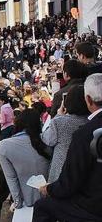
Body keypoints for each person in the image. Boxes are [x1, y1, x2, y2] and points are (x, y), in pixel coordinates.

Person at [33, 74, 102, 221]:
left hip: (93, 207)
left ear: (88, 100)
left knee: (42, 206)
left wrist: (48, 189)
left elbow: (69, 184)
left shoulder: (84, 134)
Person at [0, 108, 50, 211]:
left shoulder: (4, 146)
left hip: (27, 202)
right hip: (51, 198)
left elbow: (11, 178)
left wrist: (17, 203)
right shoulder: (47, 140)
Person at [41, 84, 90, 182]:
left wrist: (58, 116)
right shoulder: (92, 122)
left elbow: (47, 139)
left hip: (61, 174)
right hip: (86, 173)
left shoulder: (59, 122)